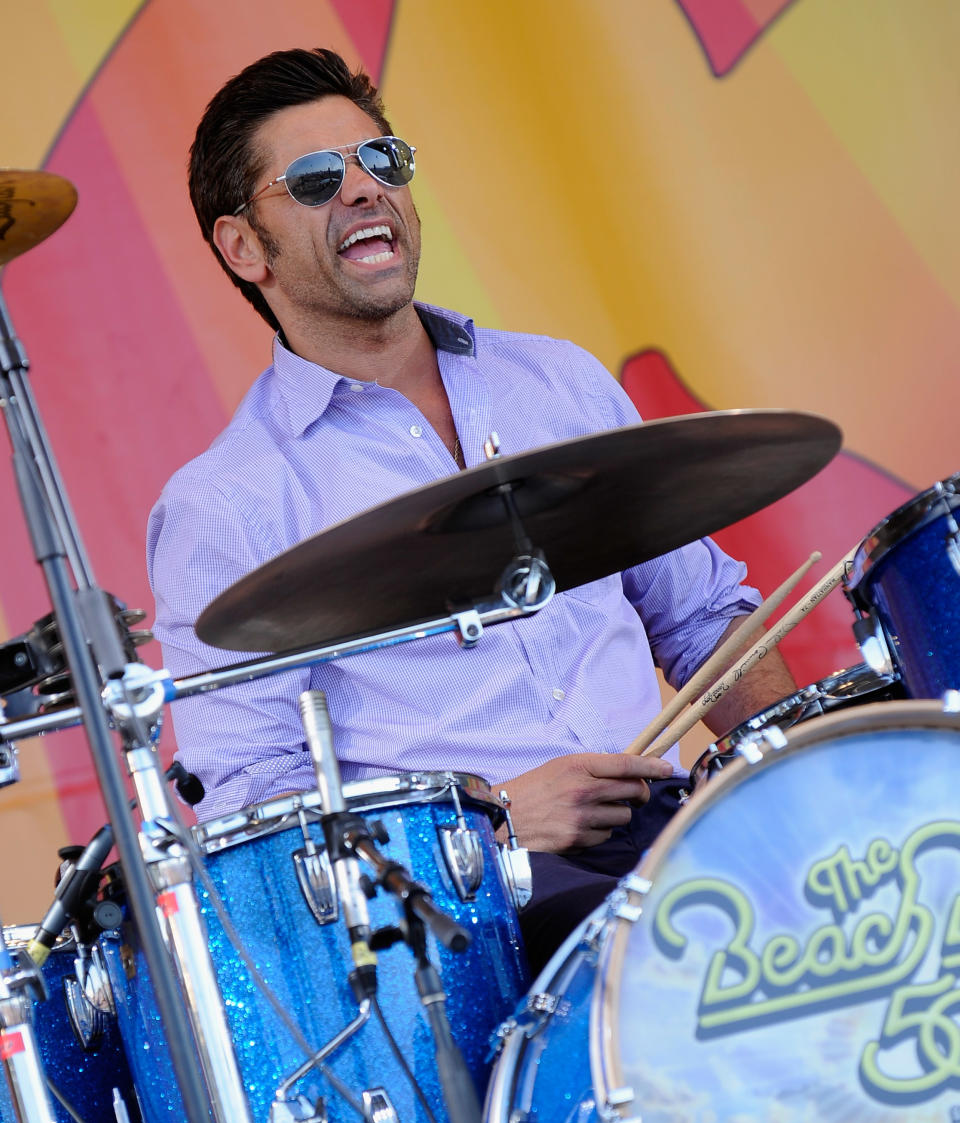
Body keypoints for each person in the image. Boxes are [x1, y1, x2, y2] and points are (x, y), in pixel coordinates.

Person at [148, 47, 797, 973]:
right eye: (317, 179)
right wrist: (486, 824)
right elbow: (259, 817)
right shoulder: (225, 504)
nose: (365, 191)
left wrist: (808, 787)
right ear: (244, 247)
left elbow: (704, 621)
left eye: (383, 162)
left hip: (687, 839)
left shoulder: (559, 380)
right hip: (490, 917)